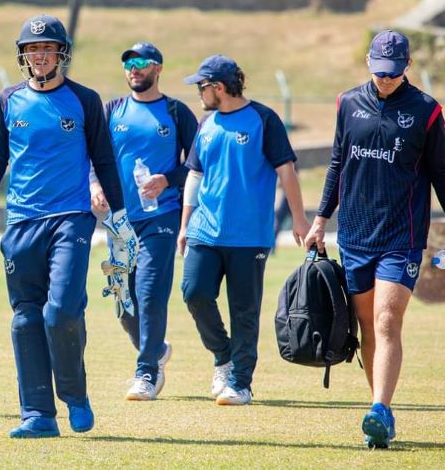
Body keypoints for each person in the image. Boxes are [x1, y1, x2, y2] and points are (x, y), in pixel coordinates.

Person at [0, 14, 135, 439]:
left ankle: (74, 395)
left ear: (61, 54)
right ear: (24, 56)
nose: (39, 56)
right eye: (32, 50)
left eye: (47, 49)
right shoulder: (7, 101)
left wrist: (121, 216)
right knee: (25, 319)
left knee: (61, 312)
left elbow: (105, 159)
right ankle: (37, 414)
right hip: (20, 222)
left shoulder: (85, 100)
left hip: (70, 218)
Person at [304, 30, 445, 449]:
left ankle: (380, 408)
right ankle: (379, 413)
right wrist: (319, 220)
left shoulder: (427, 111)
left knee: (387, 320)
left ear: (407, 67)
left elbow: (441, 174)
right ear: (368, 62)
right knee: (367, 325)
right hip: (354, 234)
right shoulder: (348, 103)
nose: (385, 79)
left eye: (393, 72)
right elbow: (336, 164)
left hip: (401, 236)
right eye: (380, 71)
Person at [179, 54, 309, 405]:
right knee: (194, 292)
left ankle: (240, 382)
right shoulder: (206, 125)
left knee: (245, 310)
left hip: (249, 234)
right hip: (204, 230)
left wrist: (298, 218)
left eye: (201, 87)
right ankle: (223, 355)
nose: (199, 94)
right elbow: (194, 174)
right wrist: (184, 225)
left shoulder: (264, 119)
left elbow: (286, 172)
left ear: (218, 88)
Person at [89, 42, 197, 400]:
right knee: (124, 305)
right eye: (128, 64)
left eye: (141, 63)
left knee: (150, 295)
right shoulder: (112, 111)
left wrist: (167, 180)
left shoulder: (176, 112)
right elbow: (92, 155)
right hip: (119, 221)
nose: (133, 69)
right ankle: (156, 350)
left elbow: (196, 165)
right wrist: (93, 185)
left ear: (158, 68)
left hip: (161, 217)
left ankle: (146, 373)